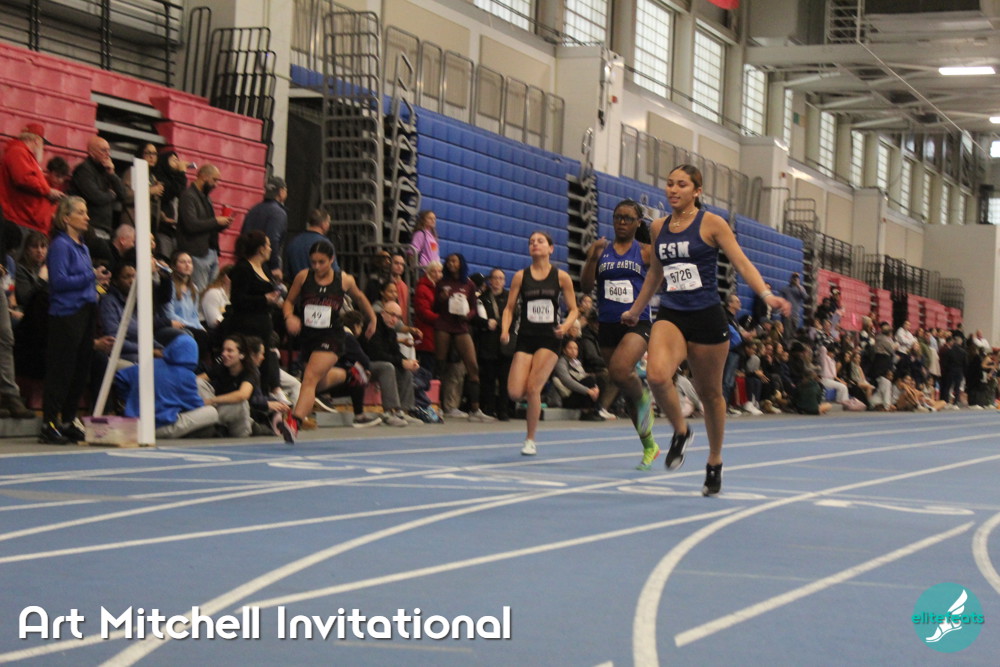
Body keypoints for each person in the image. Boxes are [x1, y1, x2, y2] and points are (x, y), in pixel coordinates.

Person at [621, 164, 790, 496]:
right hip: (672, 313)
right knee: (656, 376)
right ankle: (681, 431)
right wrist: (636, 310)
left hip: (707, 316)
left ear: (697, 191)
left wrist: (766, 295)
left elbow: (741, 263)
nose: (673, 189)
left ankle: (714, 461)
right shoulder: (658, 227)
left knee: (711, 395)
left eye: (681, 185)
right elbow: (655, 273)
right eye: (669, 183)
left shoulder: (712, 223)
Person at [581, 198, 659, 469]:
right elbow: (586, 286)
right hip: (608, 324)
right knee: (622, 383)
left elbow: (661, 275)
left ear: (638, 223)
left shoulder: (645, 252)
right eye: (618, 217)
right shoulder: (601, 250)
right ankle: (649, 445)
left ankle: (643, 395)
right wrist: (592, 257)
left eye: (628, 218)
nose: (622, 222)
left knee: (621, 369)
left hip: (637, 323)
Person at [281, 240, 377, 443]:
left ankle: (294, 422)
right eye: (313, 262)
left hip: (332, 336)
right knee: (316, 383)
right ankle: (348, 375)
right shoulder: (303, 277)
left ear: (331, 259)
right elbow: (289, 301)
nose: (317, 267)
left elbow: (360, 298)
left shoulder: (344, 280)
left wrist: (372, 318)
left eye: (321, 262)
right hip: (309, 337)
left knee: (309, 378)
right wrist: (289, 316)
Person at [501, 231, 579, 456]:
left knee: (533, 387)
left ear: (550, 248)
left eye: (540, 241)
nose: (535, 244)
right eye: (531, 242)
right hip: (526, 337)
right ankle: (534, 399)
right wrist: (505, 330)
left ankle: (530, 439)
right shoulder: (520, 276)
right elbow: (509, 308)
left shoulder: (561, 277)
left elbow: (574, 309)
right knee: (515, 392)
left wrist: (565, 326)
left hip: (550, 337)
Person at [40, 197, 101, 444]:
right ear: (66, 218)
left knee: (79, 371)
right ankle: (49, 423)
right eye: (81, 212)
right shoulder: (60, 246)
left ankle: (67, 420)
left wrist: (95, 282)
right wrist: (91, 275)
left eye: (87, 212)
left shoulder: (83, 247)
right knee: (62, 370)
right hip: (66, 314)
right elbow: (59, 281)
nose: (87, 217)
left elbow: (84, 279)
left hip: (86, 311)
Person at [115, 331, 217, 439]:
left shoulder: (148, 364)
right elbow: (194, 405)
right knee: (212, 412)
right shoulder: (187, 376)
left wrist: (128, 399)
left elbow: (120, 377)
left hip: (136, 424)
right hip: (160, 428)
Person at [434, 253, 493, 422]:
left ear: (461, 263)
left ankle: (475, 409)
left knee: (472, 366)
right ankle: (436, 405)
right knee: (440, 366)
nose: (451, 263)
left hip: (461, 327)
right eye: (449, 261)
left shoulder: (468, 284)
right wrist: (441, 298)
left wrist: (467, 316)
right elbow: (435, 307)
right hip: (444, 326)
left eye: (454, 261)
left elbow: (474, 308)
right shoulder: (441, 283)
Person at [222, 230, 283, 395]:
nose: (271, 249)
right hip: (246, 325)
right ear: (261, 249)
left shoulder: (265, 268)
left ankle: (263, 395)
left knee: (264, 360)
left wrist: (274, 299)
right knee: (250, 362)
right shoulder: (243, 269)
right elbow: (237, 299)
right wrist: (264, 299)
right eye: (268, 245)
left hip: (264, 322)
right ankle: (249, 396)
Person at [362, 301, 424, 427]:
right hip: (365, 364)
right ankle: (389, 412)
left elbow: (395, 352)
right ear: (383, 313)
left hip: (378, 363)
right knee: (388, 367)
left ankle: (403, 411)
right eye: (392, 315)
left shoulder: (390, 329)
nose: (394, 319)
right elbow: (375, 354)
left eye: (398, 317)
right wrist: (401, 362)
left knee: (405, 370)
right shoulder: (374, 325)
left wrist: (408, 362)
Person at [68, 135, 127, 255]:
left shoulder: (106, 171)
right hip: (90, 227)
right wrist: (111, 195)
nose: (107, 154)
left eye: (108, 150)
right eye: (103, 150)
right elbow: (96, 197)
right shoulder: (83, 170)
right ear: (91, 152)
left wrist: (112, 174)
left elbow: (123, 195)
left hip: (105, 228)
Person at [0, 123, 62, 235]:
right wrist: (48, 191)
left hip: (26, 221)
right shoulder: (18, 151)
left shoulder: (24, 154)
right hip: (20, 220)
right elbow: (23, 179)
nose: (43, 148)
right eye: (43, 144)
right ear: (37, 141)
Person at [177, 164, 231, 291]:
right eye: (214, 180)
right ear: (204, 177)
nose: (216, 184)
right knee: (199, 293)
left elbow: (207, 225)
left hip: (210, 251)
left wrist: (222, 224)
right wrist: (216, 221)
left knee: (211, 293)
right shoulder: (188, 196)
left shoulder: (206, 198)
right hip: (197, 253)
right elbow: (191, 225)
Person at [197, 334, 255, 437]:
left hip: (237, 415)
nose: (224, 354)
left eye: (230, 351)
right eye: (223, 350)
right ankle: (213, 426)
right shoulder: (220, 367)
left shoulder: (249, 373)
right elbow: (198, 380)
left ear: (241, 355)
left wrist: (212, 400)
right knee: (198, 383)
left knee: (242, 404)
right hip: (216, 411)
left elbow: (243, 395)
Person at [476, 267, 512, 420]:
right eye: (495, 278)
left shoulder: (510, 298)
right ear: (490, 281)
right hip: (488, 344)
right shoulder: (482, 298)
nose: (497, 281)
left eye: (500, 278)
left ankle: (503, 410)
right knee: (488, 379)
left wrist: (497, 322)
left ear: (504, 281)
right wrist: (485, 323)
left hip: (505, 345)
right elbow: (475, 318)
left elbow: (515, 316)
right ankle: (489, 409)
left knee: (505, 380)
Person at [241, 176, 288, 282]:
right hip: (265, 265)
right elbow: (273, 239)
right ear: (281, 192)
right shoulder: (279, 213)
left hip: (247, 262)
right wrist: (275, 266)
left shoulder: (254, 209)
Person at [151, 150, 191, 258]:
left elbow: (181, 193)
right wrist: (181, 172)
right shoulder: (159, 178)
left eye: (177, 160)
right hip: (162, 229)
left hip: (175, 231)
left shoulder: (174, 179)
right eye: (173, 160)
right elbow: (173, 191)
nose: (177, 163)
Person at [285, 209, 332, 278]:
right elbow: (333, 273)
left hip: (296, 283)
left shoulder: (294, 242)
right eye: (328, 222)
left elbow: (288, 271)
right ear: (323, 224)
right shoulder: (325, 244)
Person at [200, 264, 233, 332]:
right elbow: (213, 322)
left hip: (225, 329)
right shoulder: (213, 293)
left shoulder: (233, 295)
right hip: (209, 330)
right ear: (226, 278)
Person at [779, 272, 807, 343]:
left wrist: (799, 286)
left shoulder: (800, 289)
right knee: (787, 333)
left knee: (793, 333)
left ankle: (791, 346)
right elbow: (780, 300)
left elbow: (805, 297)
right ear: (790, 279)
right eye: (794, 278)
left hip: (795, 314)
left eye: (796, 278)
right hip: (787, 314)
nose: (795, 279)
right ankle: (786, 346)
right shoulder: (784, 289)